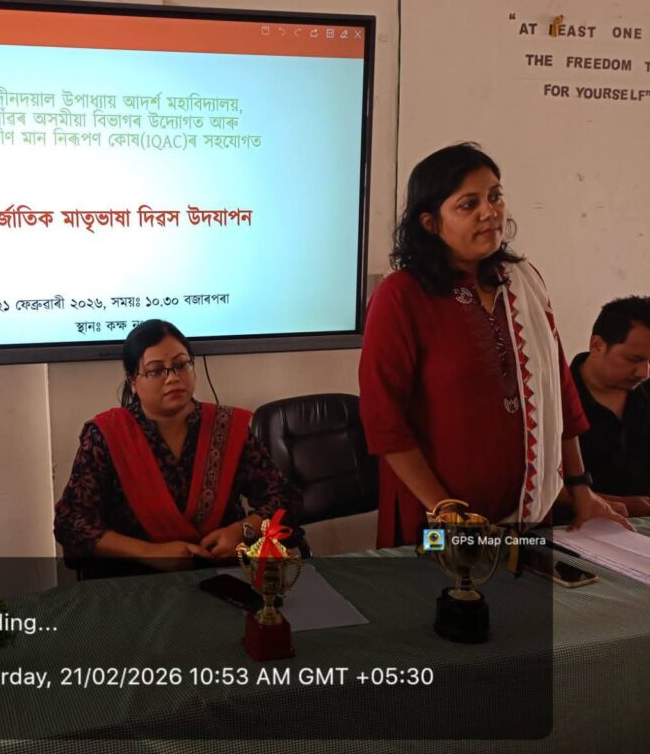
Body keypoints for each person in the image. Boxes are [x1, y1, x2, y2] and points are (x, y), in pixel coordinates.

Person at [358, 142, 631, 548]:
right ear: (430, 223)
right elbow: (384, 418)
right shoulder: (401, 296)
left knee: (529, 591)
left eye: (495, 196)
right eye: (468, 204)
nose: (490, 212)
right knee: (443, 592)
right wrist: (446, 510)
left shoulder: (524, 282)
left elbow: (558, 394)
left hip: (530, 513)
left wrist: (580, 489)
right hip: (438, 521)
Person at [54, 319, 302, 572]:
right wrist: (150, 553)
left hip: (222, 572)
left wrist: (244, 530)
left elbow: (285, 497)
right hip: (134, 578)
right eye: (155, 371)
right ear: (132, 381)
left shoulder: (226, 427)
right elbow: (71, 522)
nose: (173, 378)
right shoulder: (107, 435)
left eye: (181, 365)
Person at [570, 296, 650, 516]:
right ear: (597, 345)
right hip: (573, 528)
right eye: (634, 359)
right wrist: (625, 504)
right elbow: (536, 488)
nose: (644, 372)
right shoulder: (552, 399)